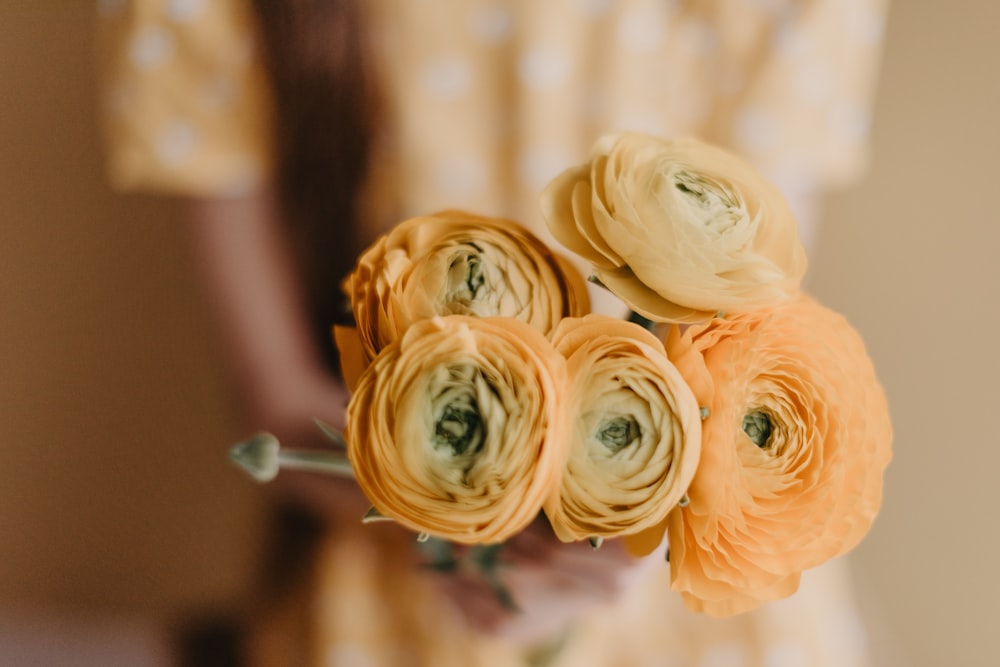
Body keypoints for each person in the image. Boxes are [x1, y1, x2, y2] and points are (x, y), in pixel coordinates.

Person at [98, 1, 889, 665]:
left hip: (700, 609)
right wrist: (463, 517)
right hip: (382, 601)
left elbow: (750, 330)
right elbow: (273, 396)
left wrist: (626, 533)